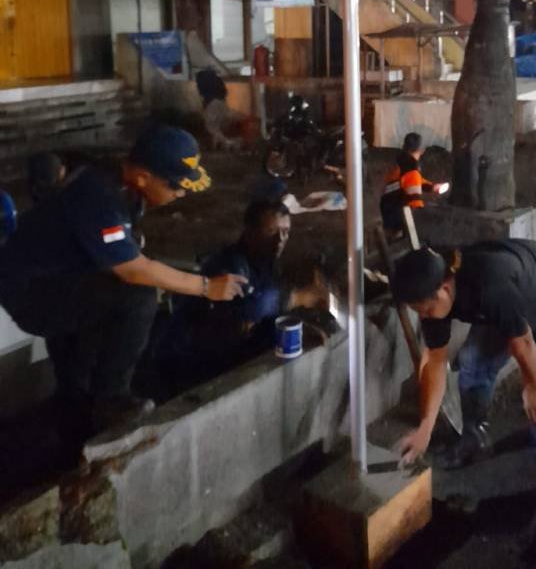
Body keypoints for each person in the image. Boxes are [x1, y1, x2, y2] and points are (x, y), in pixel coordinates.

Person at [0, 126, 247, 434]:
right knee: (137, 297)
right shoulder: (101, 195)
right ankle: (111, 401)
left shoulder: (121, 182)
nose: (180, 193)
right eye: (175, 186)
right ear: (143, 176)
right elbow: (132, 269)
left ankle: (74, 403)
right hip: (30, 292)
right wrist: (206, 287)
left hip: (56, 274)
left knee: (97, 320)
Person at [391, 240, 536, 556]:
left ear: (445, 288)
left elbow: (523, 343)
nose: (426, 316)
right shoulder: (437, 290)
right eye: (419, 311)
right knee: (472, 362)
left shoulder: (489, 282)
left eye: (427, 309)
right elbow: (434, 362)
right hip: (515, 311)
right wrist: (425, 428)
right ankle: (474, 439)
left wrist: (534, 385)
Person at [162, 199, 327, 388]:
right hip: (194, 364)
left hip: (225, 350)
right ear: (250, 232)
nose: (280, 239)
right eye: (272, 232)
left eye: (286, 232)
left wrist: (297, 328)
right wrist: (297, 297)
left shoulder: (266, 259)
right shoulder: (230, 266)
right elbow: (251, 310)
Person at [380, 133, 448, 237]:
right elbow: (415, 203)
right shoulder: (411, 170)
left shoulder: (401, 163)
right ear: (421, 150)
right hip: (398, 217)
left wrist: (432, 187)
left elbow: (412, 181)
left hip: (388, 210)